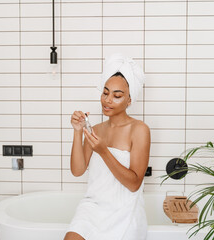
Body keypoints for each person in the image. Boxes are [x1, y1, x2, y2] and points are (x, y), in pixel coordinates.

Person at [64, 53, 151, 240]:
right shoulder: (95, 129)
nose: (108, 100)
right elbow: (78, 171)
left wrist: (103, 152)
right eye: (105, 93)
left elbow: (134, 184)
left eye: (117, 95)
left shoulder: (139, 130)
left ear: (129, 100)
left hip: (125, 211)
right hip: (92, 208)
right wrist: (78, 131)